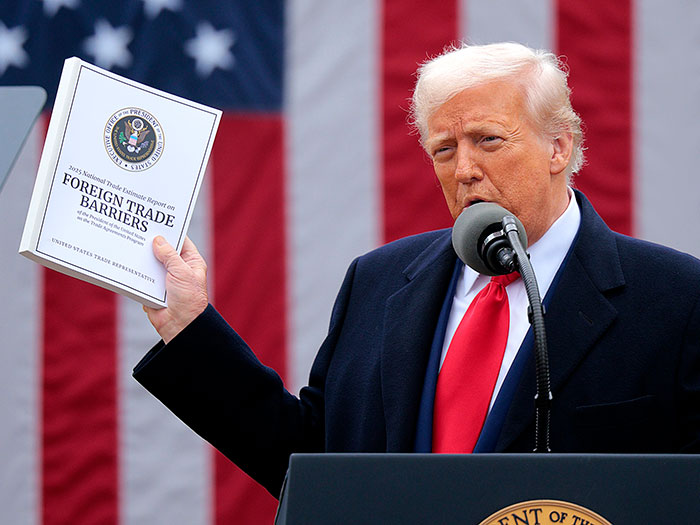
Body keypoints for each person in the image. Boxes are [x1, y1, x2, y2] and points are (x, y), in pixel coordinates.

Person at [134, 42, 700, 497]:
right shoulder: (377, 282)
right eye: (444, 150)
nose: (466, 170)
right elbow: (310, 467)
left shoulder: (675, 300)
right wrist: (189, 327)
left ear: (559, 146)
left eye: (488, 140)